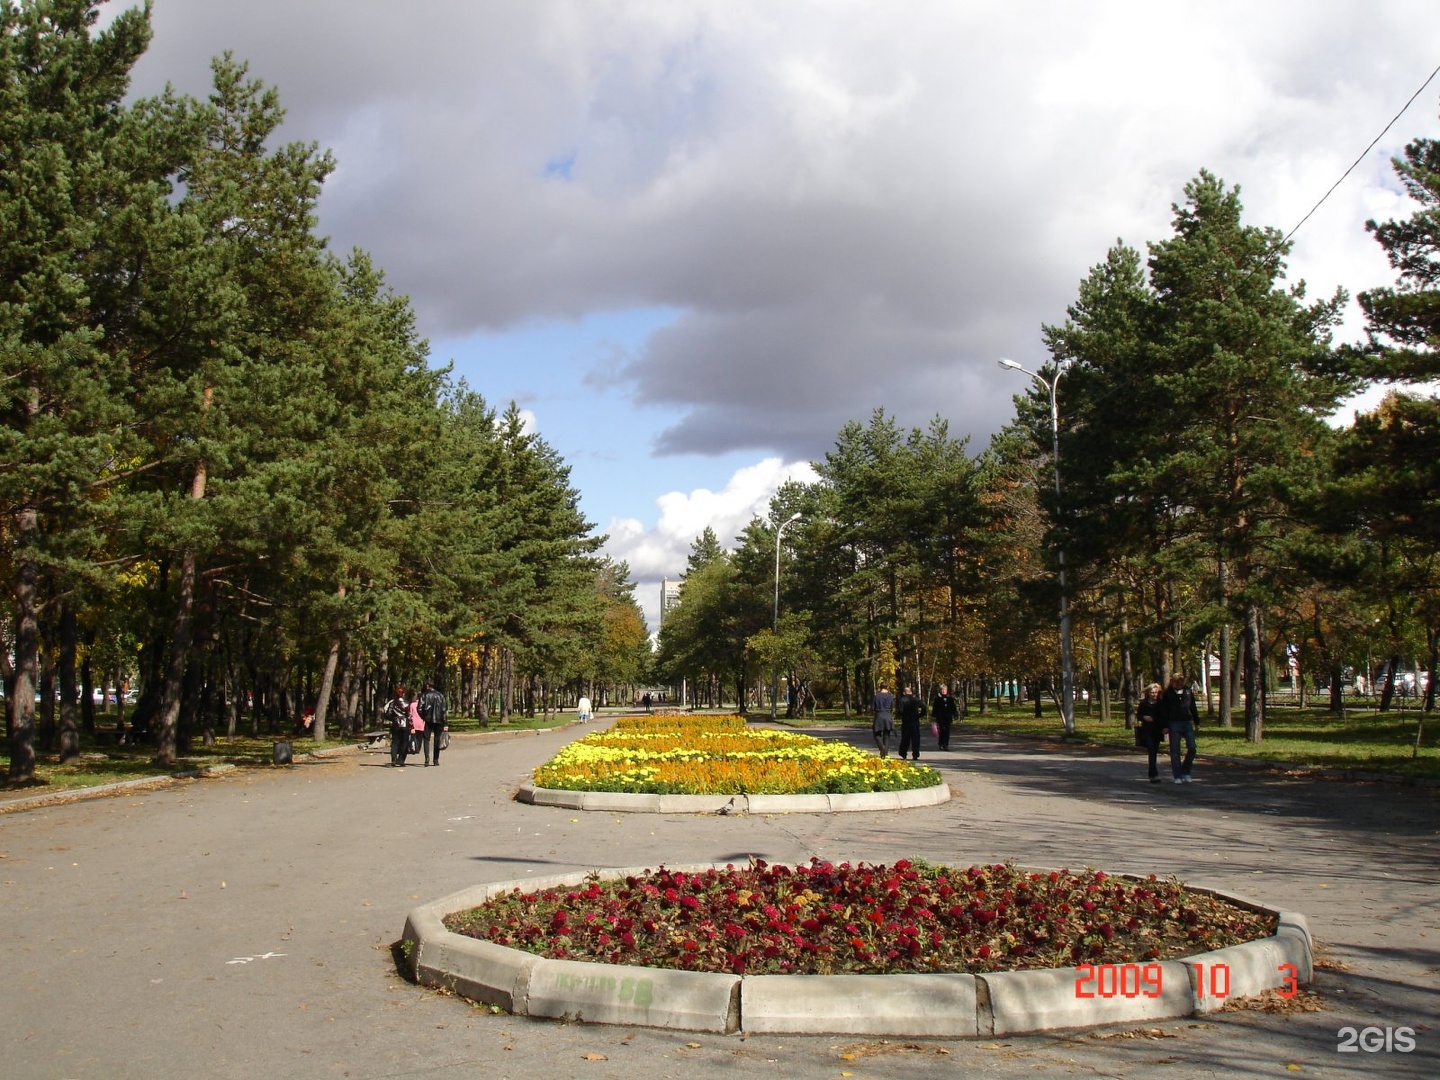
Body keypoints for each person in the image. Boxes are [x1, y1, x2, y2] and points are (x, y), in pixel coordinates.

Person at [1161, 672, 1199, 783]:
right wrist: (1165, 726)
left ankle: (1186, 770)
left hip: (1187, 722)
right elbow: (1164, 711)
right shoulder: (1168, 694)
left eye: (1181, 681)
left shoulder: (1187, 691)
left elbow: (1193, 707)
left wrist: (1197, 722)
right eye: (1176, 682)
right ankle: (1177, 775)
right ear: (1172, 682)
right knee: (1175, 750)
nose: (1179, 684)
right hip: (1174, 723)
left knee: (1192, 747)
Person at [1136, 682, 1164, 782]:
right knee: (1151, 751)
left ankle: (1152, 773)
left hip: (1157, 730)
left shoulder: (1161, 703)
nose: (1154, 694)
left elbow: (1164, 717)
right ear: (1148, 693)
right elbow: (1138, 715)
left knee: (1154, 752)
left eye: (1156, 692)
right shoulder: (1144, 703)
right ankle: (1153, 774)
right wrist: (1144, 717)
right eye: (1152, 692)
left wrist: (1165, 727)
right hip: (1147, 730)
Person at [419, 681, 448, 766]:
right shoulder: (440, 695)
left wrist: (424, 717)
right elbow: (443, 710)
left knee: (426, 739)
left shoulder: (424, 695)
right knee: (437, 739)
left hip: (428, 721)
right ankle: (436, 759)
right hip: (439, 721)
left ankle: (427, 758)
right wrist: (445, 723)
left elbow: (419, 708)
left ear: (428, 686)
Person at [896, 684, 924, 760]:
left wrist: (902, 715)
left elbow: (900, 711)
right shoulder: (916, 699)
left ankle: (903, 753)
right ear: (911, 692)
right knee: (915, 738)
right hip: (915, 721)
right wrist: (919, 715)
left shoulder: (902, 700)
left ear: (904, 693)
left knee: (905, 738)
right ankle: (915, 754)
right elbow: (924, 707)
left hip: (906, 721)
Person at [386, 686, 411, 767]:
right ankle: (401, 760)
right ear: (403, 694)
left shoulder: (392, 703)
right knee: (405, 742)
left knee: (395, 742)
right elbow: (409, 715)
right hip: (405, 724)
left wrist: (393, 719)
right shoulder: (407, 703)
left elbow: (388, 714)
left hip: (395, 724)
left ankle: (393, 759)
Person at [931, 684, 958, 751]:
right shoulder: (937, 699)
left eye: (945, 690)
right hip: (940, 718)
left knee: (947, 731)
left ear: (947, 690)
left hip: (948, 717)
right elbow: (935, 709)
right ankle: (941, 744)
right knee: (942, 730)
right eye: (942, 690)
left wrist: (955, 714)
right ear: (940, 690)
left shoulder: (950, 699)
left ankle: (946, 745)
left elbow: (953, 708)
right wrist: (934, 717)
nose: (944, 691)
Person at [872, 684, 895, 758]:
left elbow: (873, 707)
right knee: (887, 734)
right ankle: (885, 753)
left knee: (876, 734)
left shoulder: (876, 696)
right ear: (887, 687)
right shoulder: (890, 696)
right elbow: (892, 707)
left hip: (879, 715)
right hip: (888, 715)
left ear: (880, 687)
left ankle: (882, 748)